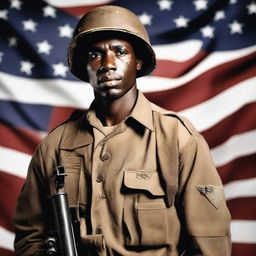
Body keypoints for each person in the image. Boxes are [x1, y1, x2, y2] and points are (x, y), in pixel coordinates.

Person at [13, 5, 231, 256]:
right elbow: (30, 238)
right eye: (95, 54)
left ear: (138, 61)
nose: (107, 64)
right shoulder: (55, 146)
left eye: (120, 52)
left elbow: (210, 243)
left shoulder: (178, 138)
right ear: (85, 66)